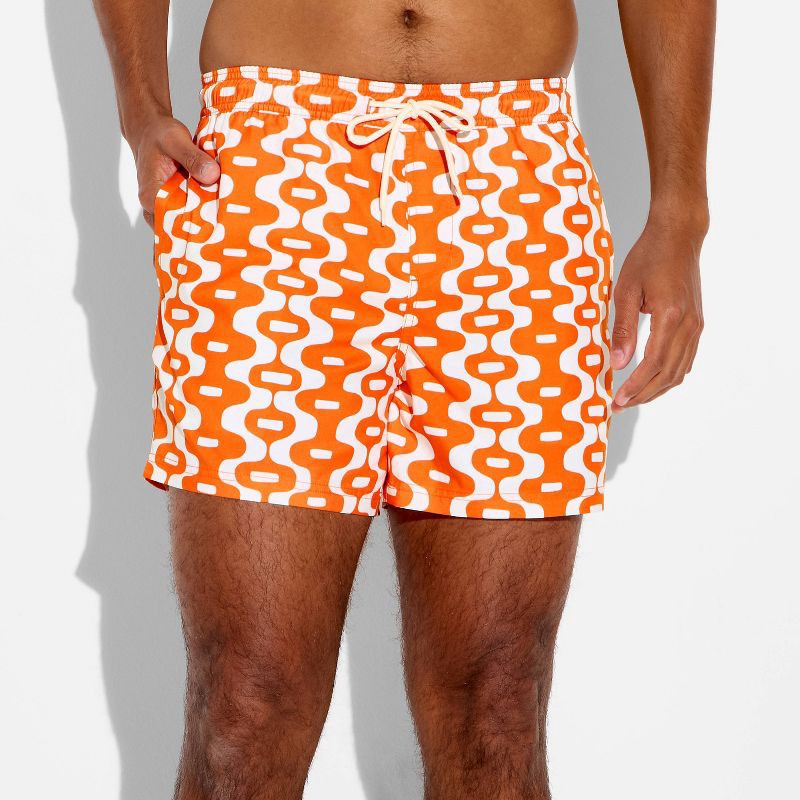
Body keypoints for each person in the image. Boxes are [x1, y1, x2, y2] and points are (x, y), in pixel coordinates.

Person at [92, 1, 714, 797]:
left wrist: (680, 210)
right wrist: (141, 108)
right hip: (276, 170)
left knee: (497, 703)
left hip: (513, 177)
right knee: (246, 703)